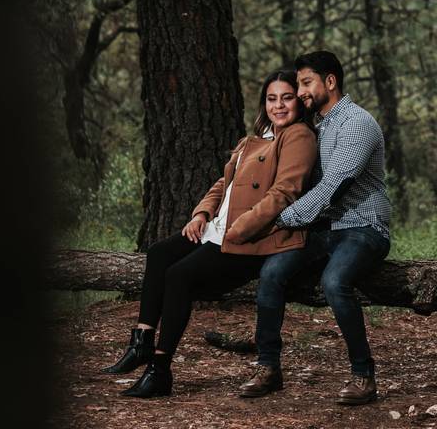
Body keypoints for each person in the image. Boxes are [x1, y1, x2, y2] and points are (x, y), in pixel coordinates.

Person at [101, 70, 318, 398]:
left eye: (287, 97)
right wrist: (202, 213)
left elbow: (284, 192)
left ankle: (160, 370)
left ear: (298, 103)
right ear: (264, 103)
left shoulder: (298, 136)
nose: (279, 105)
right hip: (217, 229)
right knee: (160, 253)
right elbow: (224, 183)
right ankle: (141, 341)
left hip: (252, 238)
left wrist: (239, 229)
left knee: (178, 276)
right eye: (272, 99)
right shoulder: (256, 137)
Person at [239, 51, 391, 405]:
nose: (301, 91)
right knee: (272, 272)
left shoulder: (357, 123)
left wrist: (281, 219)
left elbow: (334, 186)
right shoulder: (315, 126)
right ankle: (268, 367)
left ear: (330, 81)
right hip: (323, 229)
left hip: (363, 227)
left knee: (335, 282)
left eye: (307, 83)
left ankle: (363, 375)